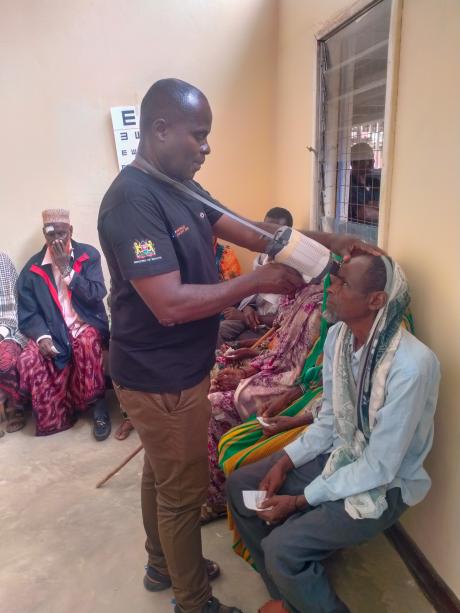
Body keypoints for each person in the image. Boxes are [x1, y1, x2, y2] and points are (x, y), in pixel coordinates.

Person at [97, 78, 378, 613]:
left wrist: (330, 241)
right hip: (159, 377)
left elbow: (254, 231)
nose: (207, 147)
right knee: (180, 493)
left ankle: (164, 564)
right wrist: (256, 282)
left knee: (162, 473)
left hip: (182, 368)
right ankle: (193, 601)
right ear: (159, 130)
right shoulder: (131, 202)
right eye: (198, 136)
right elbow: (169, 304)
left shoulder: (181, 186)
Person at [227, 255, 440, 613]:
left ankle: (302, 590)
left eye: (343, 285)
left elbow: (380, 466)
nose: (332, 290)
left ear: (376, 301)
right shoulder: (339, 338)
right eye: (335, 280)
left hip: (386, 485)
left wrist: (299, 501)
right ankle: (288, 596)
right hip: (342, 455)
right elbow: (329, 420)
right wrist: (283, 461)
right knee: (242, 486)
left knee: (283, 547)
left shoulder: (411, 367)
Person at [203, 282, 325, 523]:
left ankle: (219, 495)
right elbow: (278, 348)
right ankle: (209, 477)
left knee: (216, 405)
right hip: (281, 371)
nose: (335, 289)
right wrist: (250, 364)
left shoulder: (323, 309)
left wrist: (248, 373)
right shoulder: (299, 295)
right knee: (215, 370)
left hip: (293, 385)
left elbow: (303, 371)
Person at [17, 209, 111, 440]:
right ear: (44, 234)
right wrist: (41, 336)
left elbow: (97, 293)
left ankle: (98, 407)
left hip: (84, 323)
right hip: (52, 328)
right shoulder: (32, 269)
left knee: (88, 342)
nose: (56, 239)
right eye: (51, 234)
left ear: (70, 230)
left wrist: (67, 270)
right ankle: (56, 416)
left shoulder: (88, 255)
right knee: (29, 358)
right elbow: (28, 312)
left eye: (61, 233)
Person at [217, 207, 293, 347]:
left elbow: (288, 319)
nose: (269, 237)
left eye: (277, 232)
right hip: (252, 317)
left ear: (289, 235)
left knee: (237, 344)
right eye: (266, 231)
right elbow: (253, 296)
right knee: (216, 333)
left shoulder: (293, 270)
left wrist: (247, 317)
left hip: (271, 327)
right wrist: (247, 309)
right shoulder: (261, 259)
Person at [0, 251, 28, 434]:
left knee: (5, 360)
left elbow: (10, 312)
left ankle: (13, 407)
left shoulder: (1, 261)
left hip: (6, 328)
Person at [348, 142, 381, 225]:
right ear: (353, 163)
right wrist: (382, 213)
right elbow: (363, 213)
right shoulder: (348, 184)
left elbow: (382, 205)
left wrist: (372, 209)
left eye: (372, 159)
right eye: (366, 160)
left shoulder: (375, 182)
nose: (371, 163)